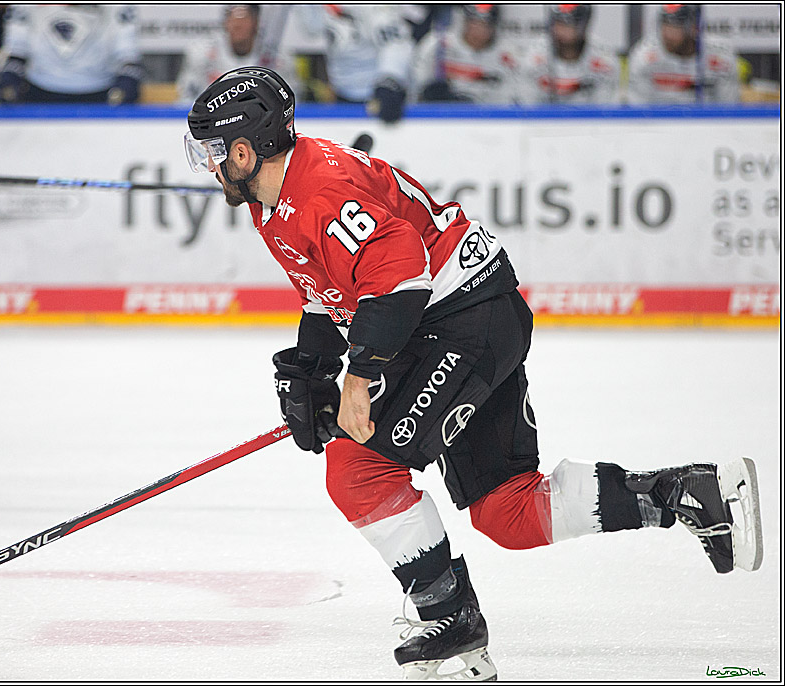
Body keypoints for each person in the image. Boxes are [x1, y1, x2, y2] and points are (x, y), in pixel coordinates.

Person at [183, 66, 763, 680]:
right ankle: (693, 493)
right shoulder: (276, 204)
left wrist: (356, 382)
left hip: (462, 321)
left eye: (213, 153)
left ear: (244, 151)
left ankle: (448, 615)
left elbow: (402, 276)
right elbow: (334, 290)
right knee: (506, 512)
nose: (209, 167)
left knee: (357, 467)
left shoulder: (318, 191)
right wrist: (312, 372)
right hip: (468, 315)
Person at [0, 4, 143, 105]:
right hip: (41, 86)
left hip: (98, 88)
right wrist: (13, 67)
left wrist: (128, 70)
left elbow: (125, 40)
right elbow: (18, 36)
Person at [295, 4, 414, 123]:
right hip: (341, 91)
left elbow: (395, 42)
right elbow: (312, 27)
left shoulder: (373, 9)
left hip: (378, 93)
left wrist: (389, 81)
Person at [177, 4, 299, 105]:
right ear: (226, 23)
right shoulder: (202, 54)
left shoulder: (277, 58)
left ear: (256, 23)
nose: (238, 26)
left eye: (245, 20)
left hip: (262, 121)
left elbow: (292, 100)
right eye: (233, 20)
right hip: (212, 120)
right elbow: (186, 98)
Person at [626, 4, 740, 104]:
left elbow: (728, 109)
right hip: (657, 125)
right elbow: (639, 110)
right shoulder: (645, 56)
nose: (667, 34)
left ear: (694, 27)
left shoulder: (720, 57)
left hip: (707, 125)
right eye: (664, 25)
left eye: (675, 27)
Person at [411, 5, 522, 105]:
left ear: (494, 26)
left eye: (485, 24)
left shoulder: (507, 54)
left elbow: (515, 96)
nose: (478, 29)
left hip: (491, 117)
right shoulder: (438, 44)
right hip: (447, 117)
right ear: (464, 22)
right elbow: (416, 84)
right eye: (473, 22)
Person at [520, 4, 621, 105]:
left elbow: (607, 108)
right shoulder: (535, 57)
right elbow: (527, 106)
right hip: (544, 119)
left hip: (590, 119)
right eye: (558, 22)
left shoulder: (604, 59)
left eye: (569, 24)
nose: (561, 30)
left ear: (584, 24)